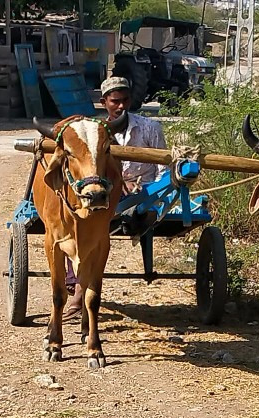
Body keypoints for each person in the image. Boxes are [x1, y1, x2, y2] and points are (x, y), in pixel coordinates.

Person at [64, 76, 168, 319]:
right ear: (104, 103)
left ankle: (82, 294)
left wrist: (146, 190)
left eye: (125, 100)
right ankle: (77, 291)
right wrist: (117, 183)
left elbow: (163, 168)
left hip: (144, 195)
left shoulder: (150, 128)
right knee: (77, 227)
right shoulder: (92, 132)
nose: (121, 106)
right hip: (103, 194)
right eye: (115, 101)